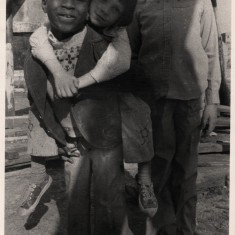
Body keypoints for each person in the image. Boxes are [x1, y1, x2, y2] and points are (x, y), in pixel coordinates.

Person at [18, 0, 158, 220]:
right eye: (101, 3)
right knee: (38, 108)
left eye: (114, 10)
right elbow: (38, 39)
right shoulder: (64, 26)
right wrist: (59, 76)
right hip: (74, 107)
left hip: (108, 95)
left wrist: (75, 83)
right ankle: (38, 174)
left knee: (137, 112)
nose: (104, 12)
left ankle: (145, 178)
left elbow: (114, 65)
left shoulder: (116, 33)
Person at [127, 0, 221, 234]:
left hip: (190, 102)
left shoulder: (200, 3)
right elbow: (131, 54)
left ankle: (186, 229)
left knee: (186, 173)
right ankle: (162, 230)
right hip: (154, 104)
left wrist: (211, 101)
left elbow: (211, 52)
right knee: (158, 171)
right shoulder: (141, 4)